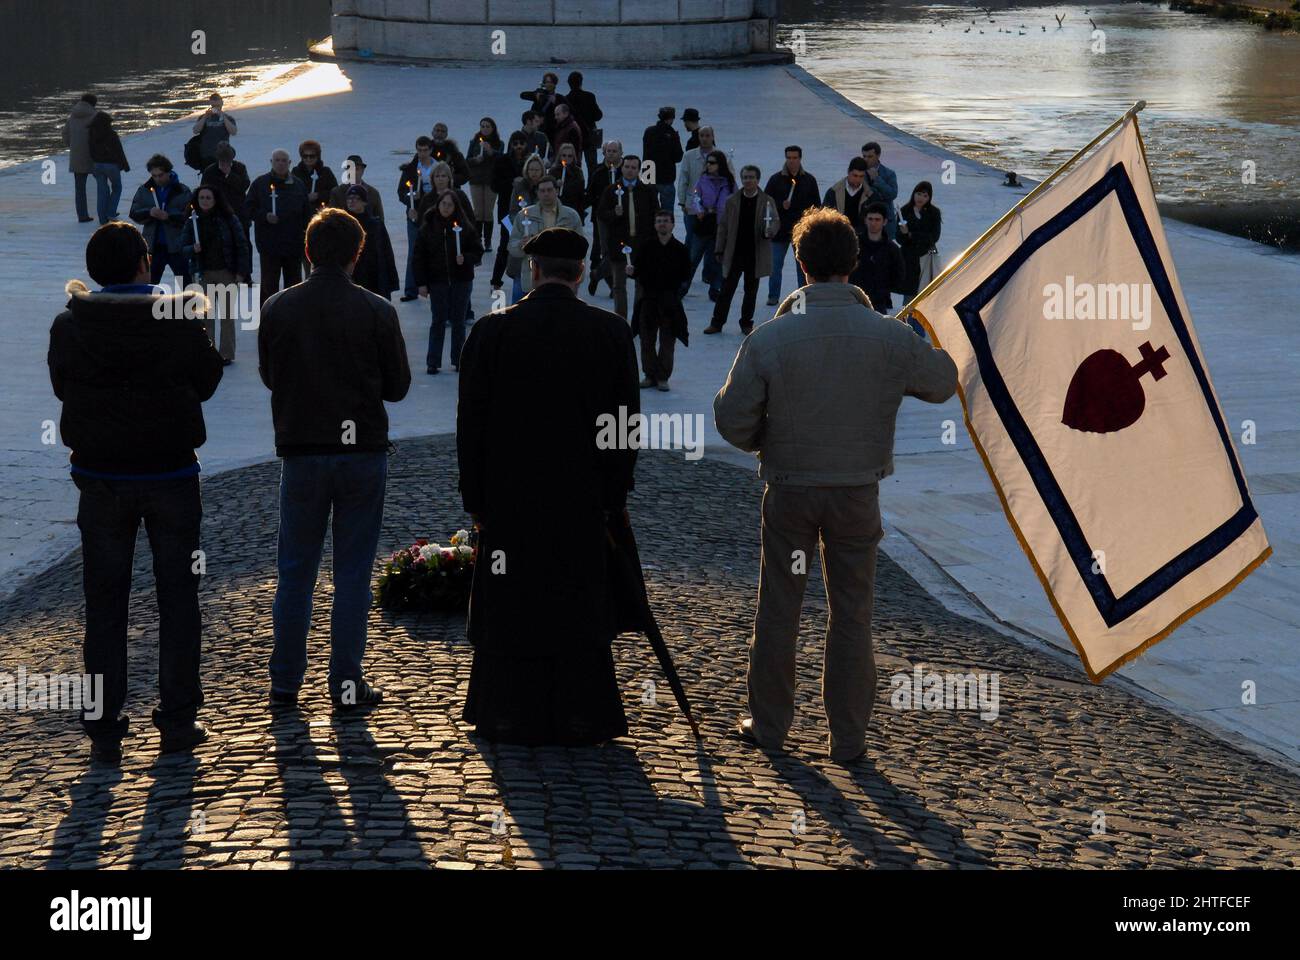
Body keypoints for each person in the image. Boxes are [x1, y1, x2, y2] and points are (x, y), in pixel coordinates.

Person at [713, 206, 957, 765]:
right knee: (853, 614)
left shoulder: (771, 338)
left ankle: (769, 726)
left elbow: (731, 420)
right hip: (855, 497)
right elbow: (943, 382)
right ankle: (848, 740)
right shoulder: (886, 338)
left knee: (779, 607)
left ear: (799, 265)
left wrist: (766, 443)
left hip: (792, 492)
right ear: (854, 264)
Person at [48, 221, 224, 763]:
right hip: (170, 474)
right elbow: (210, 381)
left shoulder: (69, 324)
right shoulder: (179, 317)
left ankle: (103, 729)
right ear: (145, 265)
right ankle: (176, 721)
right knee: (178, 598)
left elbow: (62, 386)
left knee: (104, 603)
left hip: (101, 477)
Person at [457, 227, 639, 746]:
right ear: (580, 273)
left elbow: (471, 425)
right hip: (581, 497)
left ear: (532, 271)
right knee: (577, 600)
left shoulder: (492, 333)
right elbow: (623, 424)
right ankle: (581, 714)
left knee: (512, 601)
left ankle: (509, 713)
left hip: (510, 496)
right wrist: (613, 497)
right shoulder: (610, 332)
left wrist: (476, 502)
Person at [258, 208, 412, 711]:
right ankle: (346, 681)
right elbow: (399, 387)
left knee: (295, 570)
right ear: (357, 254)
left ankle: (285, 682)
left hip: (302, 450)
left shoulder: (279, 307)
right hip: (361, 452)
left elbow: (269, 376)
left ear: (307, 251)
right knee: (352, 572)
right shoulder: (376, 310)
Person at [181, 184, 251, 364]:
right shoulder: (192, 221)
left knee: (227, 315)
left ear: (215, 200)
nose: (204, 201)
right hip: (203, 273)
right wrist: (192, 249)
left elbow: (241, 245)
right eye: (201, 198)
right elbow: (182, 247)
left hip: (226, 272)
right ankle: (208, 351)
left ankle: (226, 354)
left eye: (208, 198)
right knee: (206, 315)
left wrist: (241, 272)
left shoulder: (229, 219)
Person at [415, 190, 483, 373]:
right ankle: (433, 361)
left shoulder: (465, 227)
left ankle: (459, 358)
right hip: (438, 281)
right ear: (438, 205)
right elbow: (419, 257)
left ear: (456, 207)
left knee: (458, 321)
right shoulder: (428, 227)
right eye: (443, 204)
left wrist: (466, 258)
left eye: (450, 204)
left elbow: (478, 251)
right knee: (438, 320)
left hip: (461, 280)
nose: (446, 208)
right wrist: (421, 283)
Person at [706, 165, 778, 335]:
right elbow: (723, 226)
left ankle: (746, 323)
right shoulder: (732, 201)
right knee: (726, 290)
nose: (748, 180)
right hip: (735, 253)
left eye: (751, 177)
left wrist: (770, 230)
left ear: (758, 180)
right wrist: (719, 249)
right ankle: (717, 323)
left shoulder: (767, 201)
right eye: (745, 177)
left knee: (750, 292)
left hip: (755, 253)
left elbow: (775, 221)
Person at [629, 208, 691, 391]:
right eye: (659, 221)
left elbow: (686, 275)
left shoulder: (680, 249)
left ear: (672, 224)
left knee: (667, 341)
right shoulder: (646, 247)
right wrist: (632, 273)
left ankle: (663, 377)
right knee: (646, 340)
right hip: (648, 300)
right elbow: (638, 270)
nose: (662, 223)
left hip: (669, 301)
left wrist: (675, 295)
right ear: (655, 225)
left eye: (665, 220)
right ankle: (649, 374)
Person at [245, 149, 309, 304]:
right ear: (271, 162)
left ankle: (292, 321)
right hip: (269, 246)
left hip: (293, 246)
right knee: (269, 286)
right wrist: (264, 216)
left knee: (293, 287)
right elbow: (247, 208)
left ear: (289, 163)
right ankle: (267, 320)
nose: (280, 163)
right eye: (277, 160)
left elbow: (306, 213)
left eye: (283, 160)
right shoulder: (260, 184)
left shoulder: (298, 185)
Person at [596, 154, 655, 320]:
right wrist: (613, 213)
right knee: (618, 285)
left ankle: (637, 318)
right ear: (622, 168)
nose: (630, 171)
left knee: (641, 284)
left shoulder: (647, 190)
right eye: (627, 167)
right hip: (619, 244)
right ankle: (620, 318)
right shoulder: (611, 190)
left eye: (633, 168)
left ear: (638, 170)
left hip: (641, 244)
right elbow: (601, 214)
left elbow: (654, 214)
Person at [508, 175, 581, 302]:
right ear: (537, 193)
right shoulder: (524, 215)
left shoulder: (571, 216)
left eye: (549, 190)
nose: (546, 194)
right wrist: (521, 245)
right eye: (542, 191)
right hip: (532, 276)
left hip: (562, 277)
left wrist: (578, 278)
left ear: (556, 191)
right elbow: (511, 245)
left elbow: (580, 250)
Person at [764, 145, 820, 305]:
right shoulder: (775, 180)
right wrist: (781, 206)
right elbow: (766, 203)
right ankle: (773, 296)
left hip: (801, 231)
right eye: (789, 158)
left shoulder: (809, 180)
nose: (792, 161)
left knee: (803, 269)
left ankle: (803, 298)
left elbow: (816, 205)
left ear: (800, 159)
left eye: (795, 158)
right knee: (775, 266)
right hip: (780, 231)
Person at [129, 154, 193, 287]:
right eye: (154, 176)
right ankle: (148, 307)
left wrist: (169, 217)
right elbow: (134, 212)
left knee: (186, 283)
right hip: (153, 246)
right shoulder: (144, 190)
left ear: (169, 172)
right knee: (149, 284)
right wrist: (149, 212)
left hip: (177, 245)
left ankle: (190, 307)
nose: (157, 179)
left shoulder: (182, 190)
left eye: (161, 175)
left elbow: (189, 215)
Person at [683, 149, 734, 302]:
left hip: (720, 227)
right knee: (693, 258)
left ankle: (715, 288)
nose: (708, 165)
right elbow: (695, 196)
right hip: (704, 224)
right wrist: (699, 210)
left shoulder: (729, 183)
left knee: (716, 260)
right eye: (708, 162)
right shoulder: (703, 179)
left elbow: (734, 202)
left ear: (720, 165)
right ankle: (683, 286)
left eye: (712, 163)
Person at [398, 136, 438, 300]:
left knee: (435, 251)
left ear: (431, 150)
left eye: (425, 150)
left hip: (434, 215)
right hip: (415, 215)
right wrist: (410, 198)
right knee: (414, 252)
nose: (422, 153)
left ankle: (434, 286)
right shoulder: (410, 169)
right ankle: (411, 289)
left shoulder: (438, 168)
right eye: (419, 150)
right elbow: (401, 192)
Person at [504, 154, 548, 301]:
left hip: (540, 239)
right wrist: (519, 225)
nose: (534, 173)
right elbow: (512, 211)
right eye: (531, 169)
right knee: (519, 289)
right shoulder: (519, 187)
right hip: (523, 237)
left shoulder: (546, 189)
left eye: (537, 169)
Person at [490, 133, 530, 290]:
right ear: (511, 145)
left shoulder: (530, 161)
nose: (519, 146)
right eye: (515, 143)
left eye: (521, 143)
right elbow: (494, 185)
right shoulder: (502, 161)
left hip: (527, 210)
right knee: (505, 244)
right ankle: (496, 279)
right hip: (507, 210)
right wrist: (511, 183)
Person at [345, 185, 399, 300]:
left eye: (356, 198)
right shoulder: (344, 224)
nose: (352, 201)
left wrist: (391, 280)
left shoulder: (375, 224)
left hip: (374, 274)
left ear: (364, 202)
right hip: (353, 274)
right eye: (349, 198)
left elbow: (386, 251)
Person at [850, 201, 905, 314]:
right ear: (865, 220)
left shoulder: (892, 249)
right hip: (855, 302)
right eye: (870, 219)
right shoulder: (853, 245)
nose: (873, 223)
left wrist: (882, 288)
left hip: (881, 304)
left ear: (884, 222)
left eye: (877, 219)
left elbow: (899, 277)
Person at [585, 139, 622, 296]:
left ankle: (597, 274)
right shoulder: (598, 171)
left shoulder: (625, 170)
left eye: (614, 151)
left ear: (621, 153)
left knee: (617, 250)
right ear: (604, 153)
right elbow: (590, 193)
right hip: (601, 217)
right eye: (609, 151)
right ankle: (614, 285)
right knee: (605, 250)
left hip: (621, 217)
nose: (611, 154)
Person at [897, 180, 942, 302]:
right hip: (909, 258)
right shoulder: (904, 211)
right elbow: (899, 238)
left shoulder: (934, 213)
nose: (921, 198)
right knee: (909, 294)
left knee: (926, 292)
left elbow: (934, 236)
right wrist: (904, 234)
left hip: (926, 255)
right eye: (918, 194)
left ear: (929, 197)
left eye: (925, 195)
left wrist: (911, 234)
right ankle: (907, 318)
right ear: (913, 194)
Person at [466, 117, 503, 251]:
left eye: (488, 126)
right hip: (476, 180)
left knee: (487, 212)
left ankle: (488, 241)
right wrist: (475, 160)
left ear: (493, 128)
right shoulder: (474, 142)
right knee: (478, 212)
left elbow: (502, 158)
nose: (485, 129)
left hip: (490, 180)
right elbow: (467, 160)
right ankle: (477, 240)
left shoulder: (499, 143)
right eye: (483, 126)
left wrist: (491, 152)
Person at [87, 109, 129, 225]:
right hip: (111, 165)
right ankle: (110, 212)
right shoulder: (111, 134)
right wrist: (125, 166)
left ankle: (102, 219)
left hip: (97, 165)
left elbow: (90, 151)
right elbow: (119, 151)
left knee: (102, 192)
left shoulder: (91, 134)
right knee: (117, 188)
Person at [201, 142, 251, 236]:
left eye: (227, 161)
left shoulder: (240, 168)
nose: (224, 163)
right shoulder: (210, 171)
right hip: (218, 214)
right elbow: (204, 191)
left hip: (239, 213)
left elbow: (244, 185)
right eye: (222, 161)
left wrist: (229, 175)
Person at [642, 106, 683, 212]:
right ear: (671, 119)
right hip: (666, 177)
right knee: (667, 212)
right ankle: (665, 228)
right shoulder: (672, 134)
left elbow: (646, 153)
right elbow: (678, 157)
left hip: (649, 175)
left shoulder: (649, 131)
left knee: (649, 210)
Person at [64, 94, 98, 223]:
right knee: (103, 184)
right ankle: (106, 211)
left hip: (77, 158)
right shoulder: (95, 116)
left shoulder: (72, 116)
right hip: (93, 156)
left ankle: (82, 216)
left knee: (80, 190)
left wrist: (73, 147)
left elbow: (65, 134)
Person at [565, 71, 603, 177]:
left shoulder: (566, 99)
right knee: (592, 165)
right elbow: (598, 115)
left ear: (569, 83)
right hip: (589, 135)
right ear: (581, 82)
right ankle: (592, 189)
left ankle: (578, 186)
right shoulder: (590, 96)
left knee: (575, 165)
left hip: (574, 136)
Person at [861, 141, 900, 239]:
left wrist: (877, 179)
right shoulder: (859, 173)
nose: (866, 159)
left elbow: (892, 194)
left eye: (870, 156)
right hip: (865, 221)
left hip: (885, 222)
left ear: (878, 156)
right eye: (864, 156)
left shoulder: (889, 173)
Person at [328, 154, 385, 220]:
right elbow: (331, 218)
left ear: (362, 171)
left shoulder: (373, 193)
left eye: (357, 169)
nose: (353, 172)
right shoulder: (337, 192)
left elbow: (380, 220)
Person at [293, 140, 338, 222]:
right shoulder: (296, 172)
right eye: (305, 156)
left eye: (312, 156)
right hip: (300, 214)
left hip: (321, 214)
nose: (308, 159)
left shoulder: (326, 172)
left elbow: (334, 192)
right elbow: (291, 192)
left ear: (318, 156)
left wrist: (318, 195)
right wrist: (305, 198)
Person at [192, 93, 237, 170]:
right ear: (210, 104)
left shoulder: (228, 118)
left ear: (222, 103)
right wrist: (205, 117)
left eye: (218, 106)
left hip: (223, 155)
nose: (215, 109)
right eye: (213, 107)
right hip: (206, 155)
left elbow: (233, 132)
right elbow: (195, 130)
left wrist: (223, 117)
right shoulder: (203, 117)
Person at [518, 72, 567, 140]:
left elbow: (567, 110)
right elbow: (522, 95)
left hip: (550, 130)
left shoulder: (559, 98)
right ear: (544, 83)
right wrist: (535, 95)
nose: (549, 84)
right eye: (547, 82)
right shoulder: (540, 94)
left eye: (551, 82)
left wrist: (555, 102)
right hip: (536, 128)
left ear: (555, 84)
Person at [823, 157, 869, 227]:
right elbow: (824, 217)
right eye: (855, 175)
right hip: (839, 235)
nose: (858, 179)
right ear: (848, 172)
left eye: (861, 176)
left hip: (862, 236)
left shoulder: (870, 194)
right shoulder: (833, 192)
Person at [549, 142, 587, 222]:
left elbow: (580, 194)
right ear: (559, 156)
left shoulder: (578, 172)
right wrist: (555, 183)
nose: (566, 158)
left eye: (570, 156)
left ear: (573, 157)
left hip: (572, 208)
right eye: (564, 155)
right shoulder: (553, 171)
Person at [431, 122, 471, 187]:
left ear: (446, 134)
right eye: (437, 130)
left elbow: (466, 174)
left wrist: (449, 178)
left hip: (451, 189)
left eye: (442, 131)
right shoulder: (425, 150)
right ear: (432, 133)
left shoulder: (454, 153)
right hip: (429, 189)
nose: (440, 133)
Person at [550, 103, 584, 168]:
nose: (555, 117)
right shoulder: (563, 126)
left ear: (566, 114)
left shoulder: (571, 129)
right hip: (563, 163)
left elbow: (574, 150)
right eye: (555, 115)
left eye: (558, 114)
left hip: (568, 165)